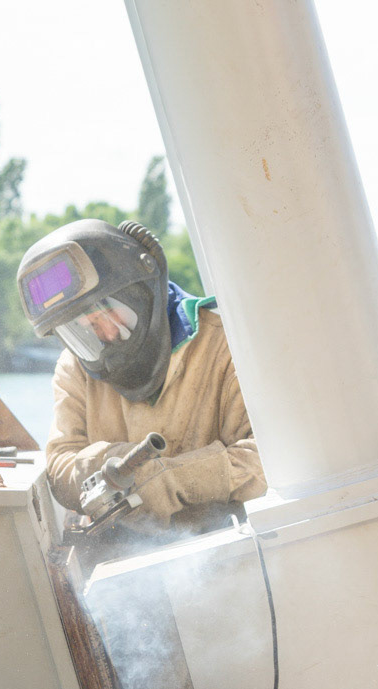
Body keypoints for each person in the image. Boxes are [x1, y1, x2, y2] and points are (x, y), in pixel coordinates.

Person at [16, 219, 267, 536]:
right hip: (121, 553)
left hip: (224, 548)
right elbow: (61, 464)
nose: (106, 334)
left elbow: (264, 458)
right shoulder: (74, 368)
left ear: (141, 293)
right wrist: (115, 463)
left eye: (109, 313)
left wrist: (169, 479)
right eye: (85, 328)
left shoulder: (224, 344)